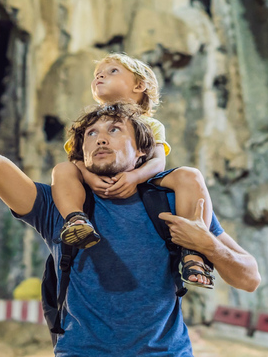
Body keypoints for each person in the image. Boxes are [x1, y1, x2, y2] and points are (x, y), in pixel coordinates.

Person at [0, 20, 261, 356]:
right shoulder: (59, 206)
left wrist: (206, 245)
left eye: (115, 130)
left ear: (143, 149)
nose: (100, 138)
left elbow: (249, 277)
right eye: (91, 134)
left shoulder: (171, 204)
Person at [53, 53, 215, 289]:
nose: (100, 75)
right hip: (96, 174)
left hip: (143, 178)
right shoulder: (89, 123)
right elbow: (76, 159)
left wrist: (134, 177)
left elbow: (158, 162)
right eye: (98, 73)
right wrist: (88, 175)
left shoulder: (151, 125)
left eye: (112, 71)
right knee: (62, 169)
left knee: (190, 175)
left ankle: (193, 253)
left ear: (139, 85)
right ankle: (76, 219)